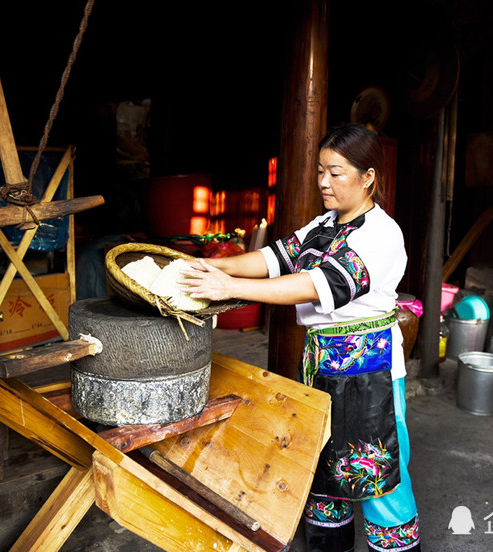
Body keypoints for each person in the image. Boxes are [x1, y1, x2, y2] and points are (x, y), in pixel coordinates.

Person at [180, 123, 421, 552]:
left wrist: (230, 289)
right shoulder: (325, 224)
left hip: (370, 375)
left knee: (376, 478)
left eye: (336, 172)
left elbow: (314, 284)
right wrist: (216, 268)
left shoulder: (381, 235)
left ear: (368, 178)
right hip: (318, 368)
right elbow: (275, 258)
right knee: (323, 473)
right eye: (320, 171)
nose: (323, 182)